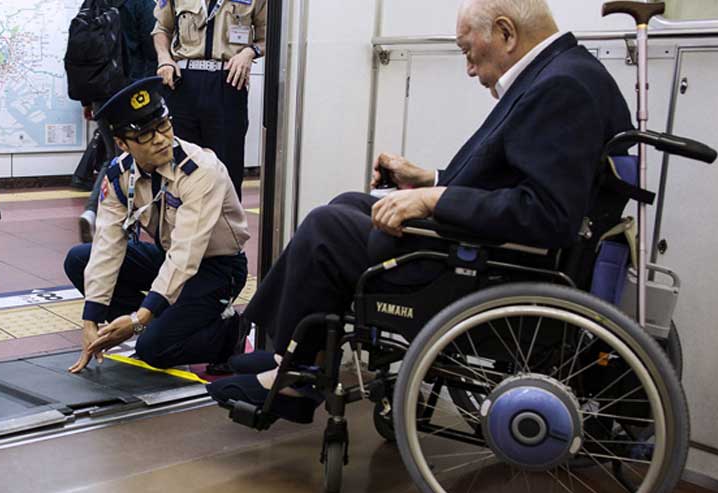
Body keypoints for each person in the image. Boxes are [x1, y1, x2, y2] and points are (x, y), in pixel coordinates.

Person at [208, 0, 633, 423]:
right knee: (349, 205)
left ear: (506, 33)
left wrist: (433, 200)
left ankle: (291, 377)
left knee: (328, 227)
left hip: (484, 267)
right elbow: (512, 182)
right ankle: (294, 358)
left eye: (468, 51)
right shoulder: (568, 72)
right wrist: (428, 178)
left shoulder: (561, 88)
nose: (469, 68)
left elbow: (545, 214)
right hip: (490, 248)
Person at [64, 77, 251, 373]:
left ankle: (229, 333)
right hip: (169, 258)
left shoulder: (202, 171)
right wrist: (91, 320)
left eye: (164, 126)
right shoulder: (118, 176)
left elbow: (186, 254)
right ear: (122, 144)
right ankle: (157, 320)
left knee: (154, 348)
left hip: (217, 268)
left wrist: (140, 320)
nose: (161, 139)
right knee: (79, 258)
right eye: (146, 136)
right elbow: (107, 246)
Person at [153, 0, 267, 198]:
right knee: (178, 164)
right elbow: (162, 28)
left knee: (227, 167)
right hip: (182, 82)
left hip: (228, 82)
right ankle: (176, 225)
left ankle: (226, 227)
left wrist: (250, 52)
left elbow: (269, 36)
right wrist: (165, 59)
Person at [78, 0, 160, 243]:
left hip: (100, 94)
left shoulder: (92, 2)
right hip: (131, 95)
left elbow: (82, 53)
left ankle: (94, 211)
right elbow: (151, 48)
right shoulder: (141, 3)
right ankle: (117, 219)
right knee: (132, 159)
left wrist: (86, 99)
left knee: (112, 157)